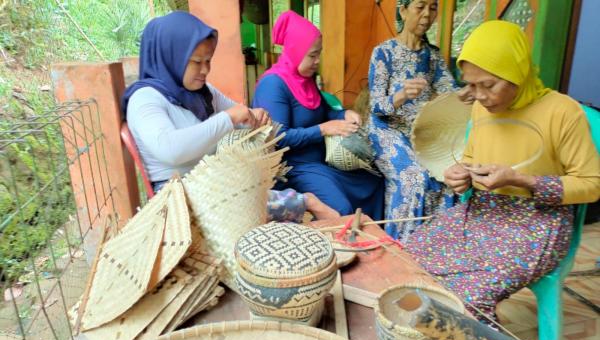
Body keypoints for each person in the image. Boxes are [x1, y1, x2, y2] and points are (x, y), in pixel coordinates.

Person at [406, 20, 600, 322]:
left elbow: (591, 185)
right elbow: (470, 157)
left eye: (489, 85)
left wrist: (521, 180)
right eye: (471, 84)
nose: (479, 95)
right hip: (482, 212)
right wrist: (460, 175)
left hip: (537, 223)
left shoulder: (563, 112)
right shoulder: (481, 107)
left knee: (465, 295)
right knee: (409, 258)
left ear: (517, 74)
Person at [121, 11, 339, 222]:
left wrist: (255, 117)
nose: (205, 70)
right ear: (171, 57)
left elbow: (241, 114)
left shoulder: (202, 92)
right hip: (179, 196)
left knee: (272, 188)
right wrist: (228, 118)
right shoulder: (145, 99)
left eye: (208, 60)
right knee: (282, 203)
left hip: (215, 183)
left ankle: (306, 207)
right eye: (197, 62)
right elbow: (170, 150)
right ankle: (307, 204)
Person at [252, 10, 384, 220]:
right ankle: (342, 250)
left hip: (321, 161)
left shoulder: (306, 79)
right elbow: (279, 138)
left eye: (318, 54)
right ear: (295, 51)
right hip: (293, 168)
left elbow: (325, 111)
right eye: (312, 55)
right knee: (339, 207)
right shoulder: (273, 84)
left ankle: (370, 241)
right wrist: (323, 129)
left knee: (373, 182)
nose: (317, 61)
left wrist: (344, 114)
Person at [367, 0, 463, 241]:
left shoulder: (433, 56)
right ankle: (402, 246)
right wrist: (400, 96)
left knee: (448, 175)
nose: (427, 15)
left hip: (423, 129)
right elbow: (376, 106)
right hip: (386, 128)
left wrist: (470, 92)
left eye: (432, 8)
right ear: (403, 10)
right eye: (420, 7)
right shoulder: (384, 52)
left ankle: (433, 247)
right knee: (414, 177)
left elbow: (450, 92)